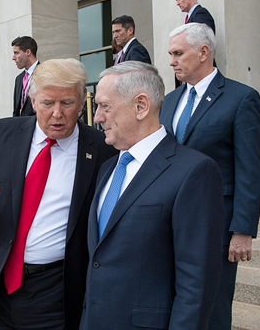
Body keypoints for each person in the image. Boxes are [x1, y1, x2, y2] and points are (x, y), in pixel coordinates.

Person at [0, 58, 117, 329]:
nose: (57, 113)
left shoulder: (102, 150)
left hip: (55, 292)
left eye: (66, 103)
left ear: (81, 103)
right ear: (33, 101)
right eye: (47, 103)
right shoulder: (0, 134)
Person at [80, 61, 224, 329]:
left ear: (141, 106)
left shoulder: (193, 172)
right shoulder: (108, 168)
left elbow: (196, 284)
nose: (97, 117)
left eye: (105, 106)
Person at [160, 23, 260, 329]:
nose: (172, 61)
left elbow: (250, 168)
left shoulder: (241, 98)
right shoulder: (169, 101)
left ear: (204, 52)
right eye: (170, 54)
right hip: (171, 219)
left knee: (214, 305)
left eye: (178, 53)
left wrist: (243, 229)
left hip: (217, 222)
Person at [174, 0, 216, 87]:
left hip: (200, 77)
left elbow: (202, 44)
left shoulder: (201, 15)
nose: (177, 3)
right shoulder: (193, 16)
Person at [12, 36, 39, 117]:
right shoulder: (19, 79)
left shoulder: (44, 74)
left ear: (28, 52)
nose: (13, 58)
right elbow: (16, 111)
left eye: (16, 53)